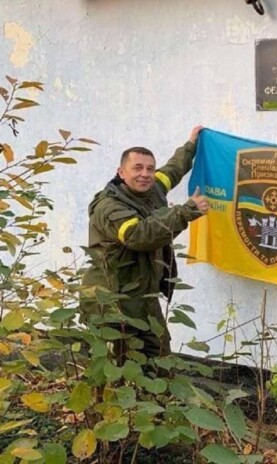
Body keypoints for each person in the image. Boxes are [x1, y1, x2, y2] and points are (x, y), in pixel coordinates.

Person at [81, 126, 210, 364]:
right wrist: (186, 212)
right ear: (121, 172)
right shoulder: (109, 206)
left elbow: (172, 170)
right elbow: (138, 236)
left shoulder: (152, 189)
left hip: (143, 298)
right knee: (115, 365)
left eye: (150, 168)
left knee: (160, 359)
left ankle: (157, 389)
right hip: (112, 300)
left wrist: (192, 145)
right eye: (137, 168)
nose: (145, 174)